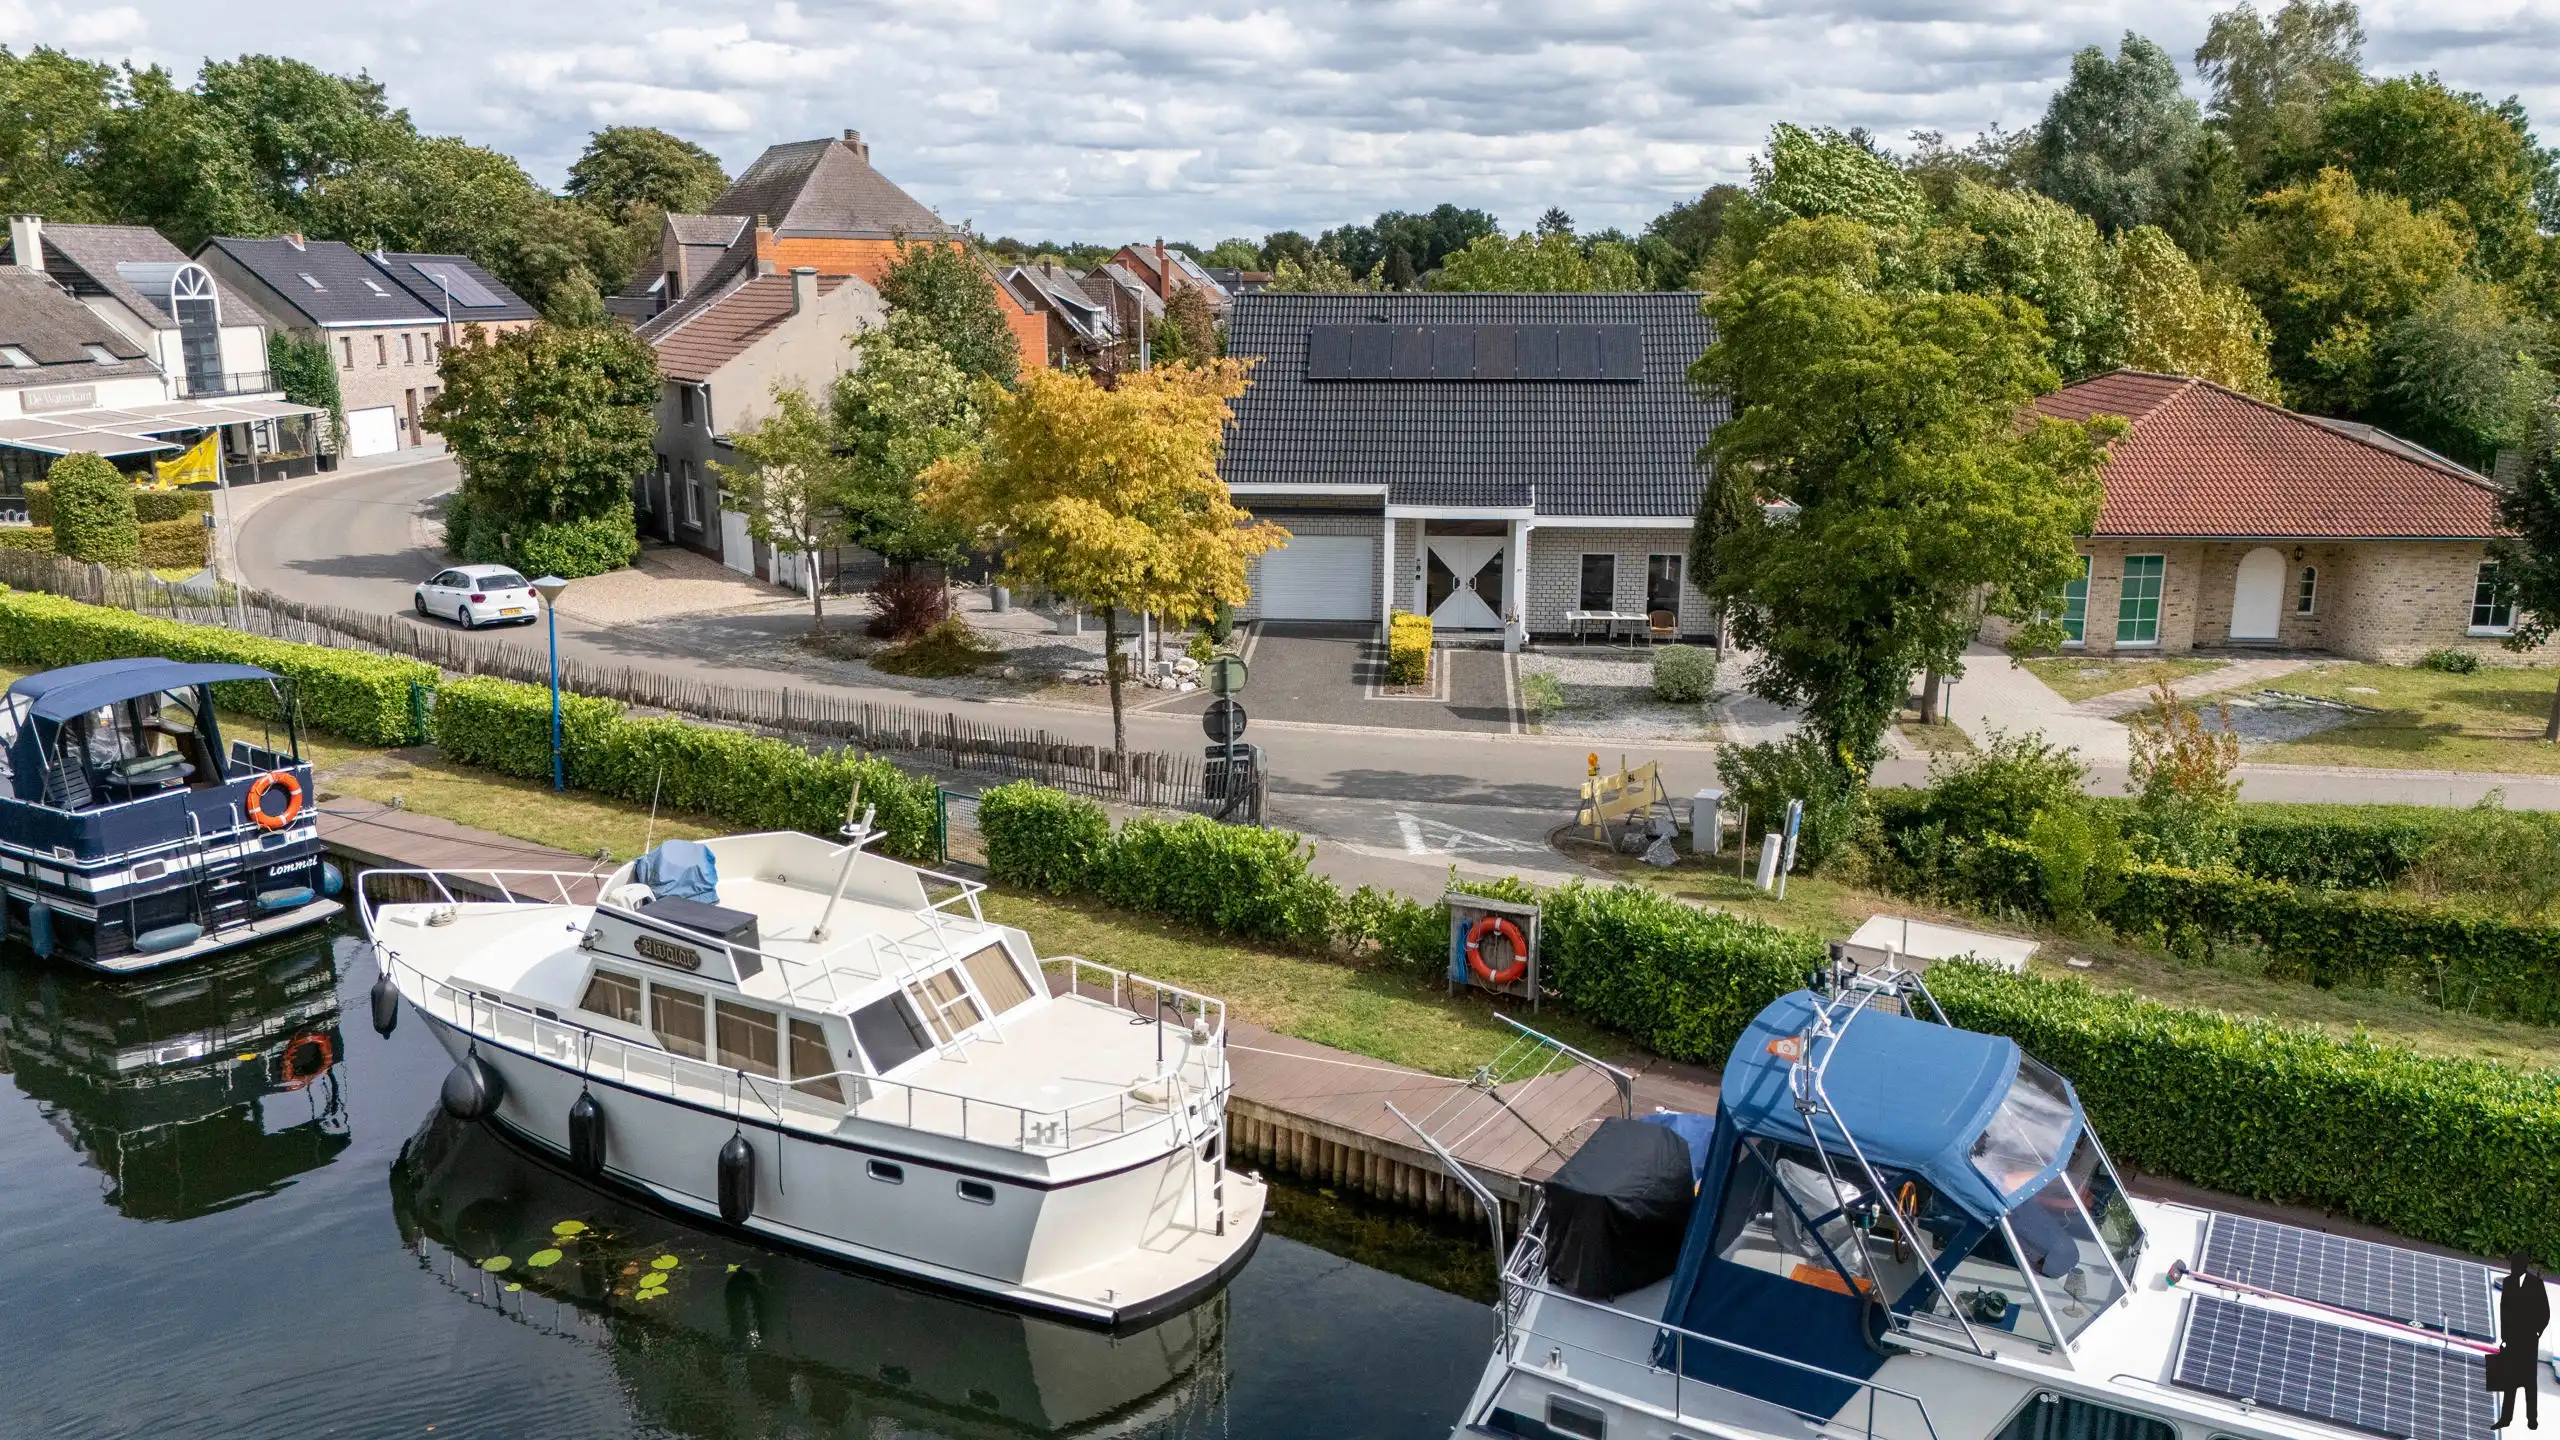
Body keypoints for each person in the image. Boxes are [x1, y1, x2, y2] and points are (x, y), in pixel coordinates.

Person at [2495, 1252, 2550, 1430]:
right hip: (2512, 1340)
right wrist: (2504, 1338)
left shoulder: (2536, 1284)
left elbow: (2545, 1313)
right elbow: (2504, 1312)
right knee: (2509, 1382)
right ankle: (2505, 1419)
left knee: (2529, 1383)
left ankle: (2531, 1419)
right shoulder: (2508, 1283)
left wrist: (2536, 1332)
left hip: (2528, 1341)